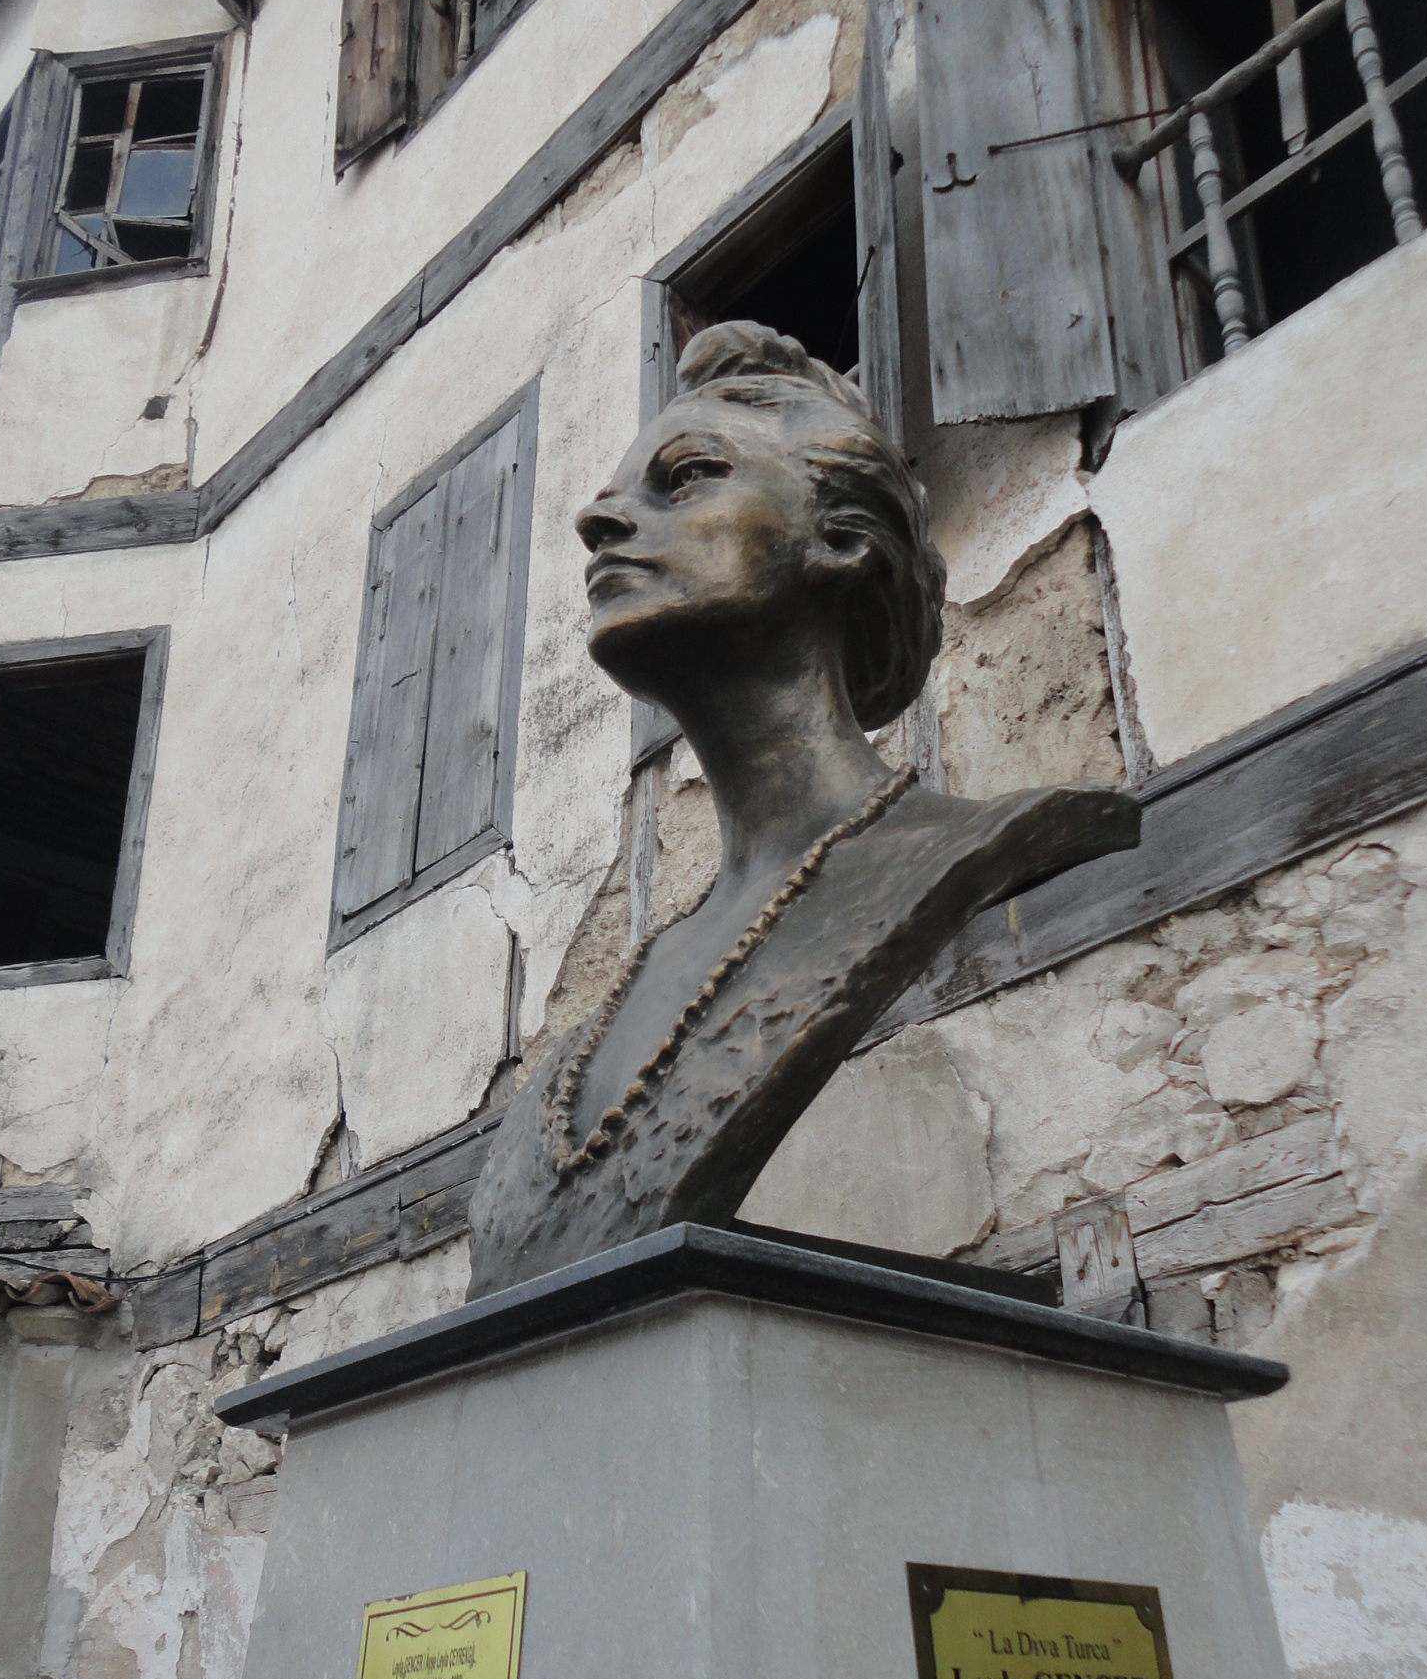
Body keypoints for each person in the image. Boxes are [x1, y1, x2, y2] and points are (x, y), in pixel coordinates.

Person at [464, 322, 1138, 1297]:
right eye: (613, 489)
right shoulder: (590, 1042)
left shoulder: (947, 859)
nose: (600, 518)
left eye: (685, 476)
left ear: (841, 540)